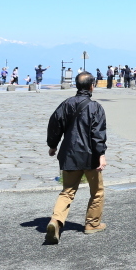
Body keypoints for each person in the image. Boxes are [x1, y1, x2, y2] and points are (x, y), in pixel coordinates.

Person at [45, 71, 108, 244]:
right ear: (91, 86)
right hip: (90, 156)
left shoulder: (65, 104)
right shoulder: (95, 107)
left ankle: (55, 221)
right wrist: (101, 154)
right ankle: (92, 224)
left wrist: (53, 145)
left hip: (69, 155)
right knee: (97, 191)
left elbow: (54, 124)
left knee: (67, 191)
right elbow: (98, 133)